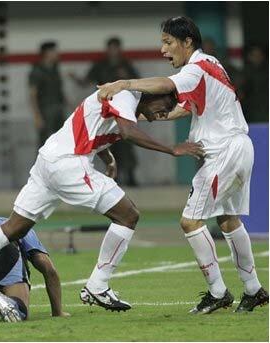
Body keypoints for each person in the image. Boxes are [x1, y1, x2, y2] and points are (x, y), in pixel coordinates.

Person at [0, 85, 204, 312]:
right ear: (152, 93)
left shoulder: (126, 103)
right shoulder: (126, 95)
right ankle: (98, 286)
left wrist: (107, 156)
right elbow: (127, 132)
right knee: (128, 215)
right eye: (166, 104)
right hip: (69, 164)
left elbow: (97, 126)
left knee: (13, 228)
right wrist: (172, 148)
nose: (164, 113)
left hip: (49, 160)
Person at [96, 16, 269, 314]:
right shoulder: (211, 64)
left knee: (190, 221)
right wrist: (136, 118)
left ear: (187, 42)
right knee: (229, 220)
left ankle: (218, 293)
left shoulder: (196, 68)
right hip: (240, 146)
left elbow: (164, 84)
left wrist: (123, 84)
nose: (163, 50)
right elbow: (186, 107)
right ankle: (253, 290)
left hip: (224, 151)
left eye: (167, 42)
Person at [70, 37, 141, 186]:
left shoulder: (125, 64)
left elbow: (138, 83)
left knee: (126, 144)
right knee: (107, 144)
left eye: (116, 48)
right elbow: (87, 81)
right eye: (111, 48)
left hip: (123, 111)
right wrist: (74, 78)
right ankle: (113, 176)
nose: (114, 51)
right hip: (104, 112)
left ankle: (130, 176)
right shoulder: (100, 65)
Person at [29, 41, 66, 147]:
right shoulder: (37, 71)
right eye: (54, 51)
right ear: (47, 53)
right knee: (44, 141)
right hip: (45, 110)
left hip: (58, 107)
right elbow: (33, 94)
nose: (57, 54)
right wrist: (37, 116)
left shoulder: (55, 69)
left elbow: (59, 90)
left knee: (62, 138)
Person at [240, 45, 268, 123]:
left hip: (265, 108)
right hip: (250, 111)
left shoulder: (267, 71)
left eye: (259, 55)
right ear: (249, 56)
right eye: (254, 55)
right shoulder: (244, 72)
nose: (257, 58)